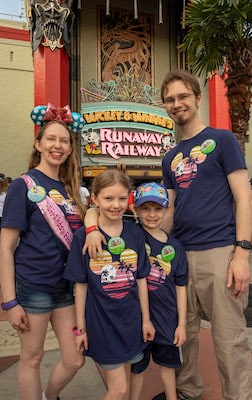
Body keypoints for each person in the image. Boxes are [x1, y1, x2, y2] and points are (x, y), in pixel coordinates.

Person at [155, 70, 252, 400]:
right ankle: (187, 393)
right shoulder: (170, 158)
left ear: (197, 98)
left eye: (183, 97)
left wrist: (242, 253)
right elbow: (169, 210)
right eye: (170, 99)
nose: (177, 104)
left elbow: (243, 196)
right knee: (185, 334)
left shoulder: (223, 140)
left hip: (220, 252)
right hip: (180, 256)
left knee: (230, 339)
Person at [0, 117, 86, 400]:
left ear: (70, 148)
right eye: (51, 139)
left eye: (64, 141)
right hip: (33, 286)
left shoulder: (70, 189)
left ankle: (49, 395)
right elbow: (6, 246)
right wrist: (10, 302)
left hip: (65, 289)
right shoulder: (22, 186)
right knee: (32, 358)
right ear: (38, 144)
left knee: (75, 358)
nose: (57, 146)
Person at [64, 169, 155, 400]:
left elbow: (141, 279)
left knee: (127, 379)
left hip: (132, 323)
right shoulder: (83, 238)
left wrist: (146, 320)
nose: (116, 205)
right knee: (119, 389)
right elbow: (80, 286)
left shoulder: (136, 234)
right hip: (101, 325)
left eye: (122, 198)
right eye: (108, 198)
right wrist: (79, 329)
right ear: (94, 199)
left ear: (129, 198)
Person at [130, 182, 188, 400]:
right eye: (145, 208)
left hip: (167, 319)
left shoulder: (176, 247)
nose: (152, 214)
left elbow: (181, 287)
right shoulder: (131, 236)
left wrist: (181, 324)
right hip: (137, 320)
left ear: (166, 210)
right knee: (137, 368)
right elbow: (96, 213)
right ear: (135, 209)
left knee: (168, 366)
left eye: (157, 208)